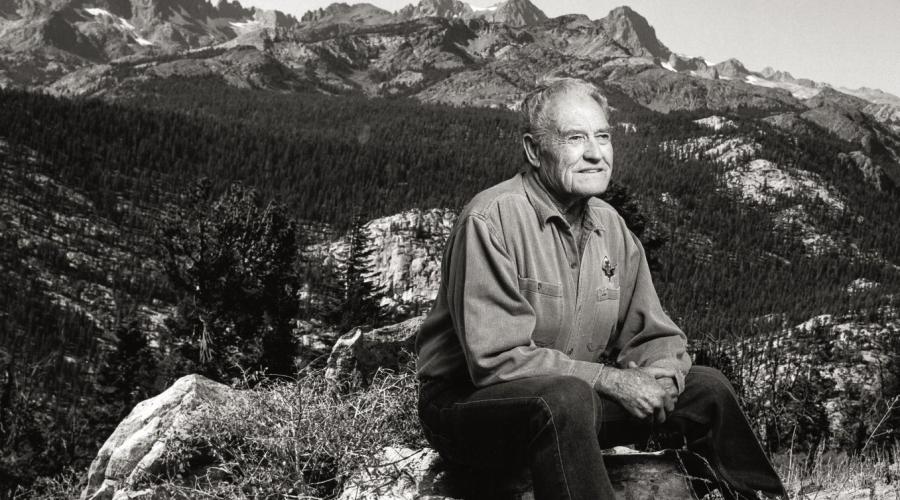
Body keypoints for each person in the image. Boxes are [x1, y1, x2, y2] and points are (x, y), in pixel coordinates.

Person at [415, 77, 787, 500]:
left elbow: (654, 335)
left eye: (603, 137)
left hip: (570, 405)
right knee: (566, 399)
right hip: (468, 409)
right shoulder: (491, 220)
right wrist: (612, 381)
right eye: (575, 138)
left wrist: (662, 378)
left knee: (707, 390)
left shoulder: (610, 225)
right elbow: (496, 361)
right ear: (534, 151)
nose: (595, 154)